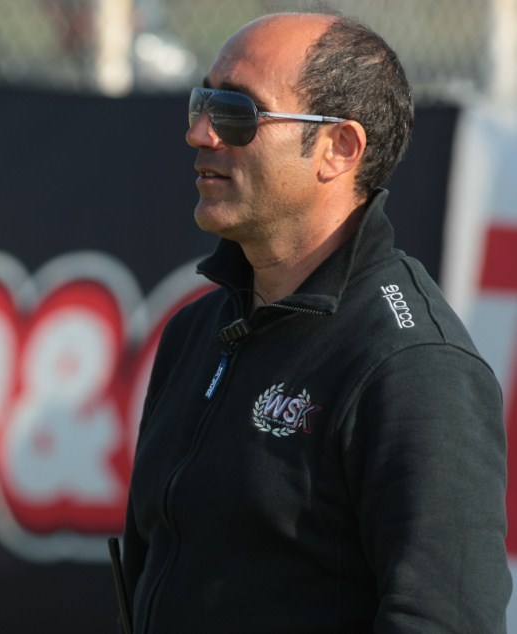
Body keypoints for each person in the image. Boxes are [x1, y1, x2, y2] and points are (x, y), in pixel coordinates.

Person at [121, 11, 511, 633]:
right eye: (202, 102)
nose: (199, 133)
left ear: (339, 149)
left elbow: (444, 620)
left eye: (236, 112)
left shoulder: (413, 366)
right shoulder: (195, 331)